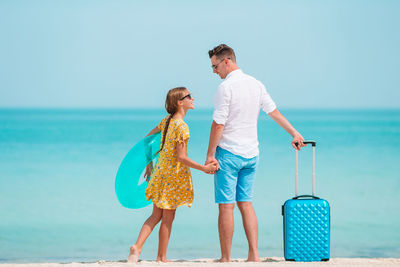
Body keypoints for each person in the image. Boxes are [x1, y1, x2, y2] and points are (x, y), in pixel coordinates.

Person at [205, 44, 306, 262]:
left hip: (228, 154)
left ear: (227, 61)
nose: (214, 72)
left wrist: (210, 154)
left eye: (215, 66)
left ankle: (225, 258)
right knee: (246, 203)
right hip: (251, 154)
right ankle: (254, 255)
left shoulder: (225, 88)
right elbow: (273, 112)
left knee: (226, 206)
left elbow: (218, 124)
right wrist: (294, 133)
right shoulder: (256, 84)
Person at [128, 87, 218, 263]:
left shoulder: (167, 121)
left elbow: (147, 140)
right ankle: (161, 258)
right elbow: (182, 158)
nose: (193, 98)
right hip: (173, 177)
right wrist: (203, 168)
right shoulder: (182, 127)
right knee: (168, 219)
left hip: (161, 173)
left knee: (155, 215)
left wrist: (149, 163)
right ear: (180, 102)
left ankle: (137, 247)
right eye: (189, 96)